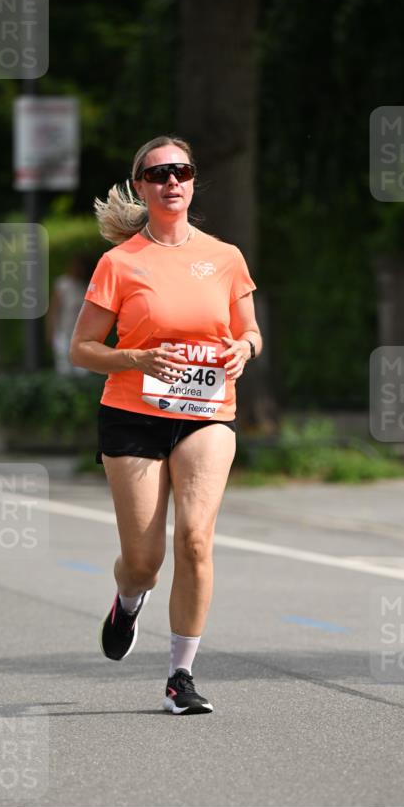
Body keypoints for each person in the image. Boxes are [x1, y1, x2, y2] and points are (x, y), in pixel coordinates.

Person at [69, 135, 262, 715]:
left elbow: (250, 332)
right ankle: (128, 600)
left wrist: (243, 352)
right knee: (144, 561)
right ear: (141, 188)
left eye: (182, 171)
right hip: (132, 415)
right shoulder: (121, 262)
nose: (171, 181)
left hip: (207, 414)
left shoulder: (225, 257)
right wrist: (136, 358)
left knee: (196, 540)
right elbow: (81, 348)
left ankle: (181, 676)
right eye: (158, 174)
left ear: (194, 181)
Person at [47, 255, 90, 375]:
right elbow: (54, 309)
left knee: (82, 370)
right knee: (63, 367)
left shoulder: (84, 286)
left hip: (80, 334)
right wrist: (51, 330)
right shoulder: (63, 284)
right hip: (62, 332)